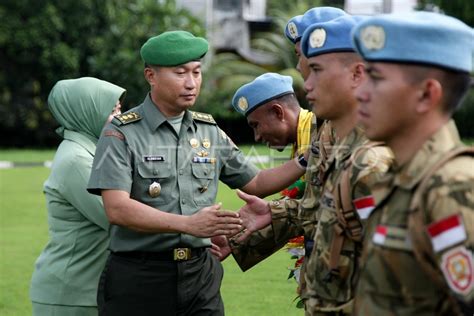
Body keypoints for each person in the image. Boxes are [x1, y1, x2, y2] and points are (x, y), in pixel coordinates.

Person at [87, 30, 308, 316]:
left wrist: (307, 158)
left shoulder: (208, 131)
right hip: (141, 276)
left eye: (197, 72)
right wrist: (189, 225)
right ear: (151, 76)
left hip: (201, 274)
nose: (191, 83)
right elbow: (117, 209)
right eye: (180, 73)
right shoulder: (121, 132)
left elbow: (256, 182)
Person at [233, 15, 393, 315]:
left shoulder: (372, 146)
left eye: (311, 62)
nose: (301, 71)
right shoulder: (330, 129)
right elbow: (321, 206)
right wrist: (270, 212)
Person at [211, 8, 347, 296]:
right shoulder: (325, 128)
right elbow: (315, 206)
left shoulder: (349, 128)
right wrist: (245, 232)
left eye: (304, 55)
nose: (300, 68)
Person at [351, 12, 474, 315]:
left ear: (426, 94)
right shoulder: (401, 179)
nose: (360, 92)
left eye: (376, 78)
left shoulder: (453, 188)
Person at [30, 77, 126, 315]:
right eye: (111, 111)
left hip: (91, 292)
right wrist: (192, 229)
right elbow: (123, 218)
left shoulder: (95, 151)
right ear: (87, 112)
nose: (120, 119)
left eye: (119, 110)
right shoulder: (77, 160)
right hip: (70, 295)